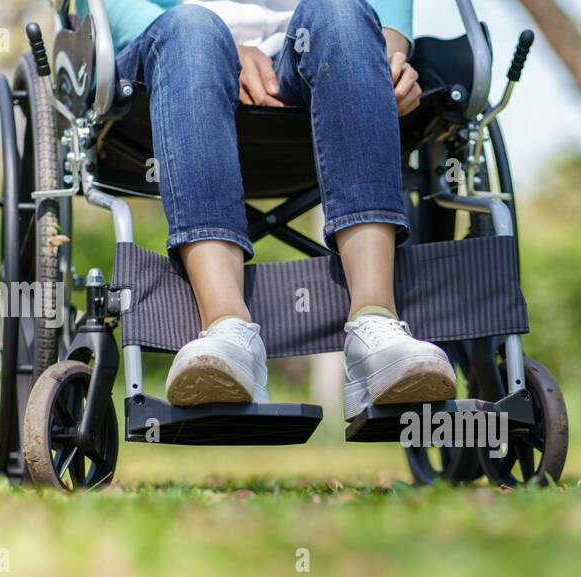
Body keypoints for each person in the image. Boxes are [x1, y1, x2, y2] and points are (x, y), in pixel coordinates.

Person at [83, 0, 457, 416]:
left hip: (309, 60)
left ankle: (376, 328)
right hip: (170, 59)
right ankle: (227, 333)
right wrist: (226, 48)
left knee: (341, 12)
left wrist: (382, 57)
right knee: (194, 31)